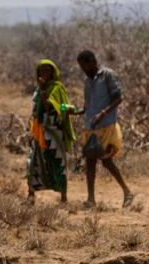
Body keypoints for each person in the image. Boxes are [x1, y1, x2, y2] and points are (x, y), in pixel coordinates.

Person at [73, 50, 134, 208]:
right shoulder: (87, 82)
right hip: (91, 127)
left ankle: (127, 192)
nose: (83, 69)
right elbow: (87, 107)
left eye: (85, 65)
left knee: (106, 161)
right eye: (81, 66)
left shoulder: (107, 75)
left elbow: (118, 97)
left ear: (93, 61)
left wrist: (104, 113)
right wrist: (74, 111)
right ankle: (91, 199)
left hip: (106, 125)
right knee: (90, 161)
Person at [27, 59, 77, 203]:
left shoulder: (57, 88)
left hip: (54, 131)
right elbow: (36, 110)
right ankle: (31, 195)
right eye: (41, 71)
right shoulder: (38, 90)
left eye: (47, 70)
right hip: (39, 131)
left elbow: (53, 107)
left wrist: (44, 92)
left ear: (53, 72)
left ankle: (63, 197)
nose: (44, 73)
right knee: (34, 163)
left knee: (57, 163)